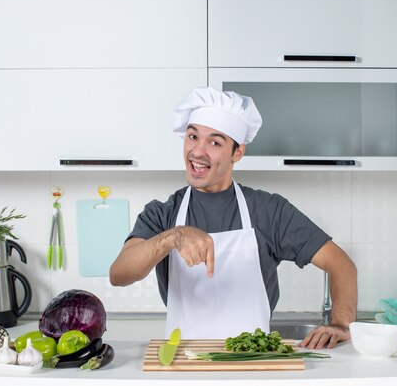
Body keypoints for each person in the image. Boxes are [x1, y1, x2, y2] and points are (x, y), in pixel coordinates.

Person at [109, 87, 357, 349]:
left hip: (252, 362)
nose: (198, 152)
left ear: (237, 152)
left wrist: (340, 323)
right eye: (193, 136)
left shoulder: (268, 211)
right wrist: (172, 237)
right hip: (185, 365)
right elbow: (119, 274)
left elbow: (341, 265)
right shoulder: (162, 213)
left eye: (215, 142)